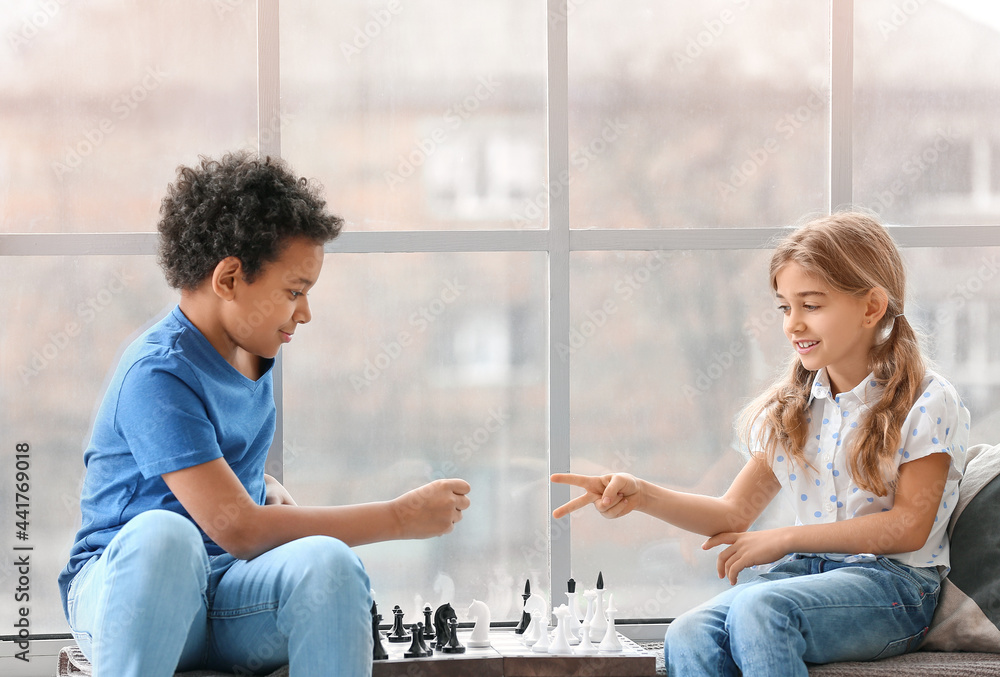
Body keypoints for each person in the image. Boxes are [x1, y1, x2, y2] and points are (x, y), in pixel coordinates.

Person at [58, 152, 471, 677]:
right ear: (229, 279)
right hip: (130, 594)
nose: (305, 312)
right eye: (294, 291)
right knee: (166, 537)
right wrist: (398, 517)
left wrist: (259, 484)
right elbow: (242, 530)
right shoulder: (156, 374)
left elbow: (222, 486)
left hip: (228, 598)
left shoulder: (255, 349)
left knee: (330, 564)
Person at [552, 211, 969, 676]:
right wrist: (641, 495)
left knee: (762, 610)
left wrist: (784, 539)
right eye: (784, 308)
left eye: (811, 305)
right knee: (685, 633)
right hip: (806, 576)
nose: (793, 324)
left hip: (896, 588)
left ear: (871, 307)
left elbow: (909, 528)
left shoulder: (928, 400)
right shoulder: (793, 409)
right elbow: (732, 515)